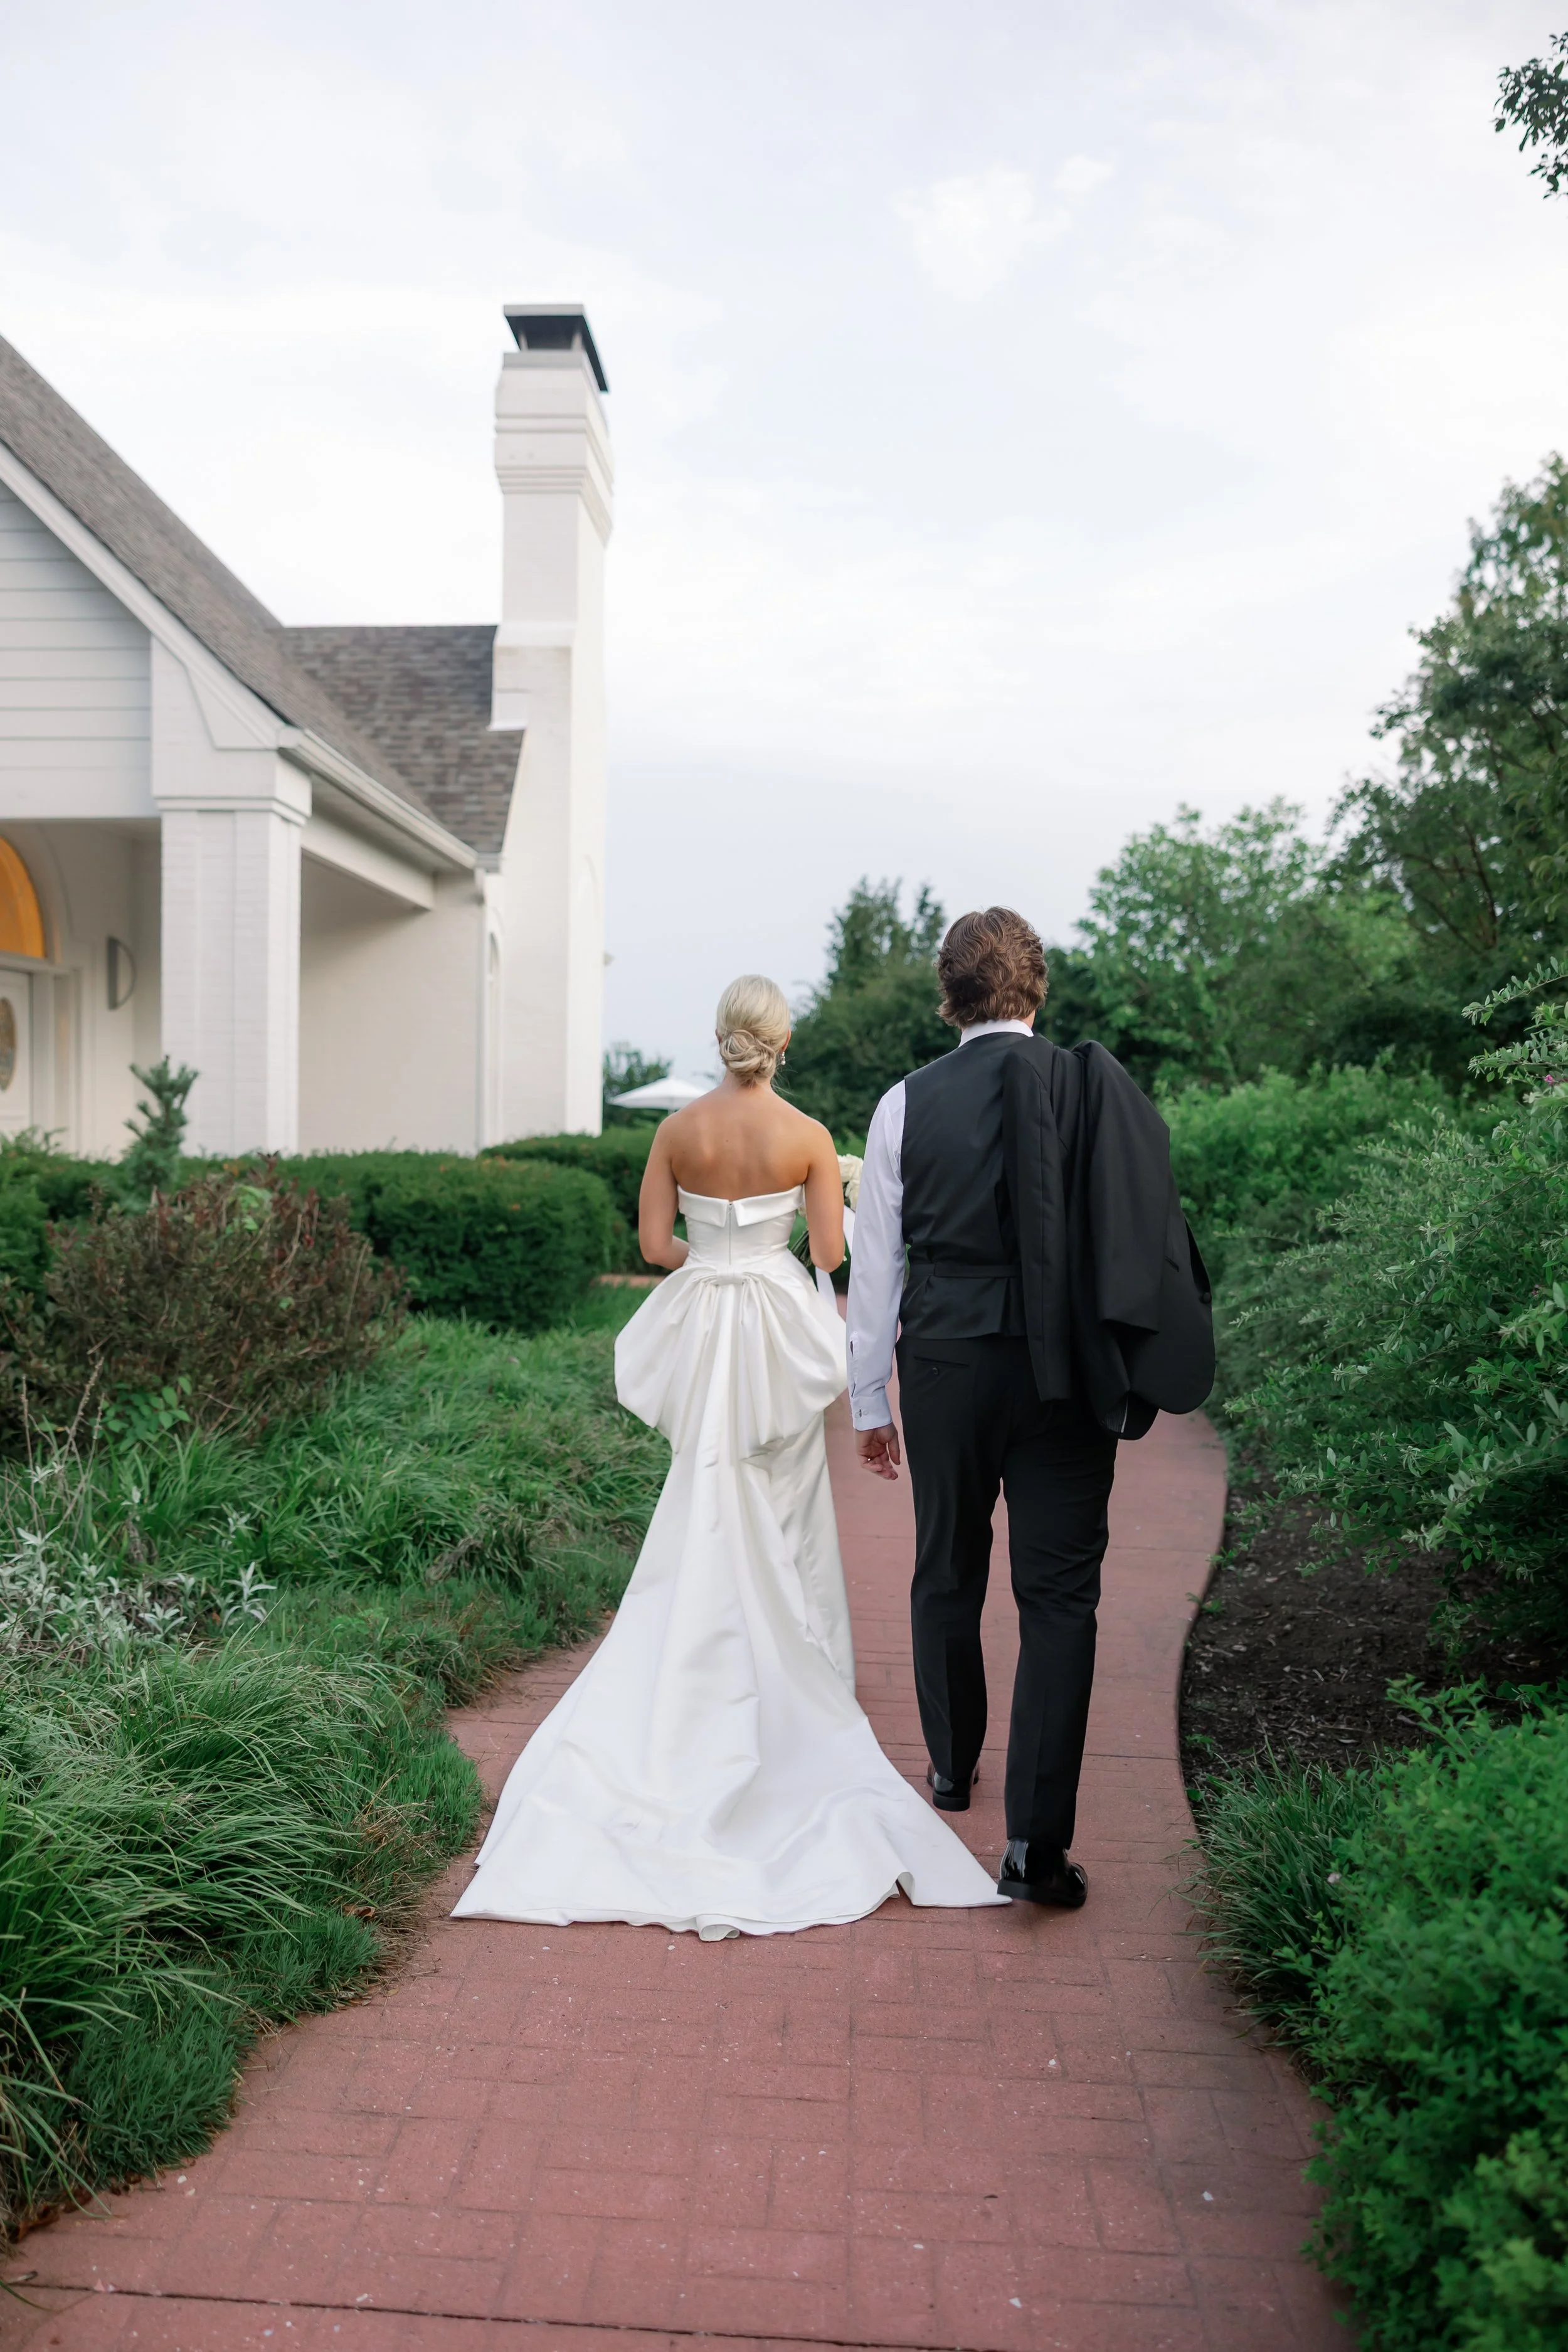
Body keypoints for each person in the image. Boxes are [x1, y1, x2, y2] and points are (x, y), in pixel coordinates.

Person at [454, 973, 1005, 1939]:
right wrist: (793, 1226)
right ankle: (802, 1651)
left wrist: (714, 1259)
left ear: (722, 1040)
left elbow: (652, 1241)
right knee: (786, 1492)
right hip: (775, 1323)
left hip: (707, 1315)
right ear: (781, 1042)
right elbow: (832, 1251)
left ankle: (697, 1639)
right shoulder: (802, 1135)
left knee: (700, 1477)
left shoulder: (677, 1134)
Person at [847, 909, 1213, 1912]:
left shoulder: (903, 1105)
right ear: (1035, 989)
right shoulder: (1090, 1089)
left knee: (946, 1563)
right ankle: (1033, 1848)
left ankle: (952, 1767)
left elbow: (876, 1264)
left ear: (949, 994)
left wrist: (868, 1398)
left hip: (947, 1364)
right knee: (1060, 1599)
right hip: (1064, 1367)